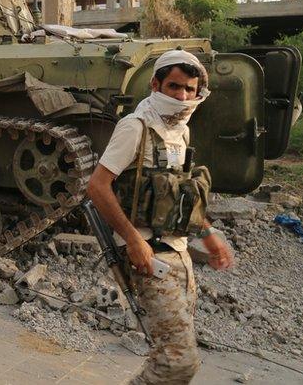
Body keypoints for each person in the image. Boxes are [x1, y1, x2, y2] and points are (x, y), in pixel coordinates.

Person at [87, 49, 235, 385]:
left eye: (189, 90)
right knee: (178, 363)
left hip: (179, 254)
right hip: (148, 255)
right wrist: (133, 239)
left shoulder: (181, 131)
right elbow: (97, 186)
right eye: (174, 87)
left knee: (171, 354)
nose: (182, 96)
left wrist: (209, 235)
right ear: (155, 85)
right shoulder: (135, 127)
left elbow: (181, 194)